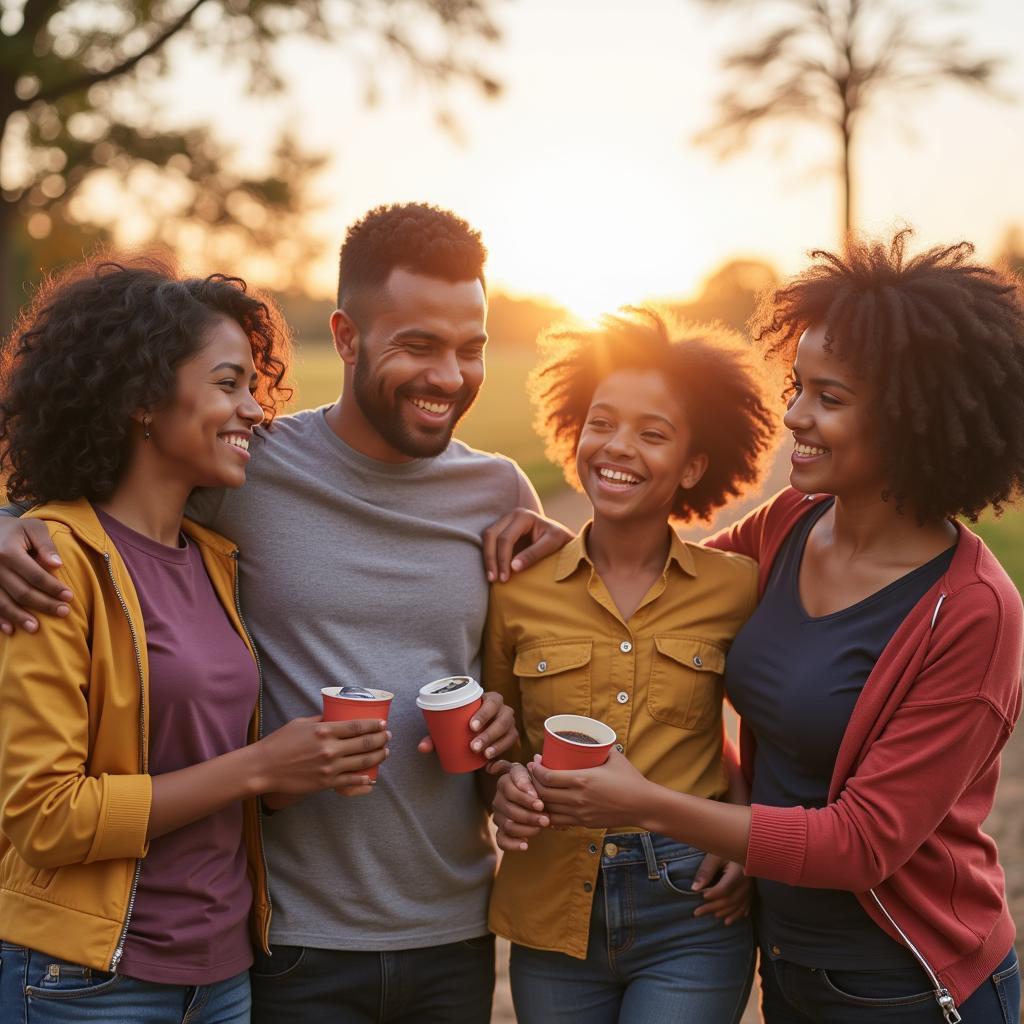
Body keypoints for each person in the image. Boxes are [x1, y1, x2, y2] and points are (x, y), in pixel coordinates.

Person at [0, 204, 527, 1024]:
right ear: (347, 337)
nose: (451, 376)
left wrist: (505, 728)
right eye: (419, 345)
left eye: (471, 349)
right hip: (282, 940)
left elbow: (530, 675)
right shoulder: (247, 470)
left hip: (445, 936)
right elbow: (86, 499)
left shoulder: (501, 495)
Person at [488, 233, 1024, 1023]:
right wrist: (562, 546)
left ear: (912, 417)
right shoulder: (791, 525)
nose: (795, 415)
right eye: (797, 386)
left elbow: (862, 844)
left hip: (908, 984)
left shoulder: (972, 610)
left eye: (829, 398)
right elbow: (663, 590)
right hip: (786, 963)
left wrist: (659, 807)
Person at [0, 255, 390, 1024]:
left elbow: (193, 763)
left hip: (221, 977)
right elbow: (44, 817)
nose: (255, 409)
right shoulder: (50, 562)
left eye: (254, 385)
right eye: (227, 384)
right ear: (143, 398)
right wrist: (257, 767)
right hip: (88, 982)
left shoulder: (212, 559)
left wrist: (296, 770)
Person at [483, 308, 777, 1022]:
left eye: (654, 434)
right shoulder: (514, 586)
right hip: (552, 906)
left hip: (694, 904)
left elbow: (769, 731)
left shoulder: (737, 586)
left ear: (694, 465)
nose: (619, 447)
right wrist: (502, 784)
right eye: (601, 422)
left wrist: (746, 831)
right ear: (573, 432)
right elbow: (489, 739)